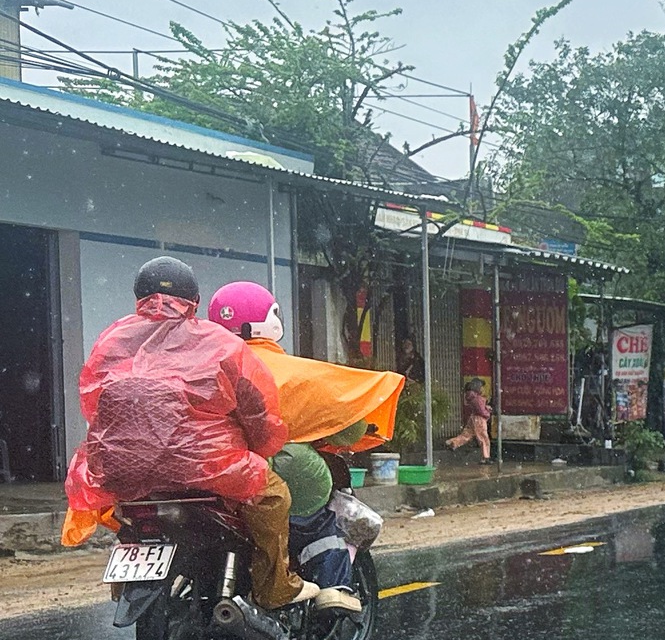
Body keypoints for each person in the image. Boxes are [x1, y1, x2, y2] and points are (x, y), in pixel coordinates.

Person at [61, 258, 313, 610]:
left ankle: (126, 578)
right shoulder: (219, 343)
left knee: (129, 516)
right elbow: (257, 409)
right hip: (209, 469)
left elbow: (93, 403)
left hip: (121, 470)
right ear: (194, 300)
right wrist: (265, 445)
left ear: (138, 296)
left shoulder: (111, 340)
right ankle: (275, 589)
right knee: (273, 498)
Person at [206, 279, 400, 615]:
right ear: (272, 320)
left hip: (204, 476)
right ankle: (333, 588)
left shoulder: (197, 369)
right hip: (267, 476)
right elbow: (343, 421)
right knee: (318, 520)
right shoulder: (295, 374)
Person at [445, 377, 494, 463]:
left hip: (473, 418)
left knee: (467, 434)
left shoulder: (472, 397)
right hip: (479, 419)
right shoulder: (478, 398)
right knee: (483, 438)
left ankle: (453, 442)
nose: (483, 389)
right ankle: (485, 457)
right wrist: (488, 412)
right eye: (482, 387)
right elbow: (481, 411)